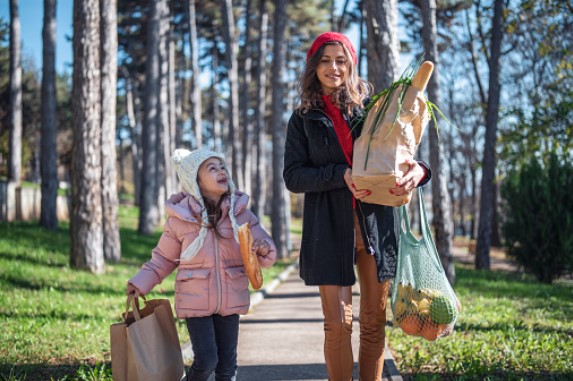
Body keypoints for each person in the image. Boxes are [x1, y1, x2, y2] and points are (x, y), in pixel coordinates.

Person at [283, 32, 431, 381]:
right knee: (337, 323)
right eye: (324, 60)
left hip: (376, 224)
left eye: (340, 60)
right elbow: (293, 177)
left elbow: (402, 151)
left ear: (351, 64)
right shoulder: (302, 119)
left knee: (374, 321)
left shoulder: (374, 109)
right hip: (327, 228)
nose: (333, 67)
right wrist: (340, 174)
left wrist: (420, 170)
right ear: (313, 67)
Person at [127, 148, 277, 381]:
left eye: (222, 167)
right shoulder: (181, 219)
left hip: (232, 297)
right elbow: (163, 259)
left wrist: (263, 248)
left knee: (227, 365)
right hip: (195, 298)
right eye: (212, 168)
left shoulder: (241, 214)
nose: (221, 171)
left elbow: (264, 250)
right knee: (207, 361)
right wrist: (140, 283)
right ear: (195, 180)